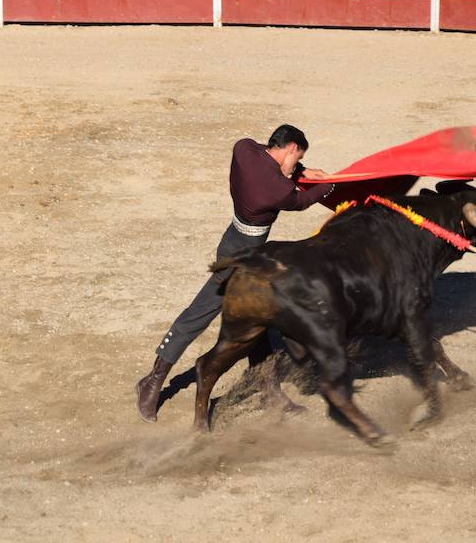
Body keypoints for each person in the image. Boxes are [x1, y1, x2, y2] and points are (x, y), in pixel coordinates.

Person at [136, 124, 336, 422]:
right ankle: (152, 381)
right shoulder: (278, 190)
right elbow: (301, 200)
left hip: (235, 244)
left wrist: (302, 171)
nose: (295, 164)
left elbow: (271, 164)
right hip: (237, 259)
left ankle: (269, 389)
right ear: (292, 147)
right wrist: (330, 184)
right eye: (297, 157)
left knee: (259, 317)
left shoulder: (243, 149)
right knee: (201, 313)